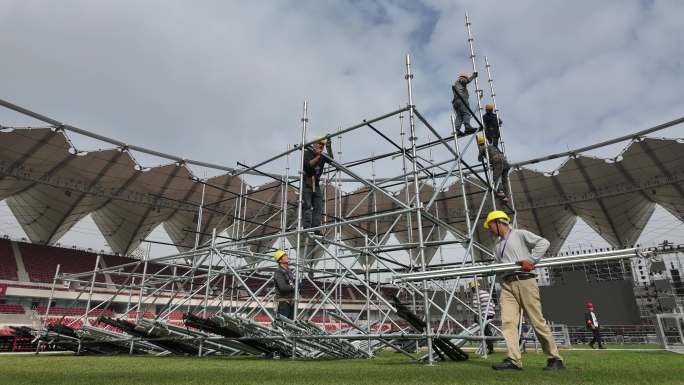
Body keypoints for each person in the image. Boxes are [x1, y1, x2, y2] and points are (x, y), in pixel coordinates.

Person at [484, 210, 565, 371]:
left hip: (525, 280)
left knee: (537, 321)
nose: (490, 228)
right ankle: (514, 360)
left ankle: (554, 358)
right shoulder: (498, 245)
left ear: (500, 222)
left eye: (491, 225)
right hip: (507, 284)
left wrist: (531, 260)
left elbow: (544, 243)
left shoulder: (520, 234)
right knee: (507, 322)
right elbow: (500, 264)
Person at [302, 135, 334, 233]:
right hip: (307, 182)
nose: (321, 146)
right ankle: (307, 228)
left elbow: (331, 159)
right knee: (307, 205)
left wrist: (329, 147)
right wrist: (318, 156)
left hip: (316, 183)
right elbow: (308, 165)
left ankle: (315, 227)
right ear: (314, 144)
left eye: (323, 145)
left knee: (318, 206)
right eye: (320, 144)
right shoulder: (308, 152)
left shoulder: (322, 156)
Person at [477, 135, 510, 203]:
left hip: (497, 161)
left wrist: (482, 154)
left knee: (496, 178)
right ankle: (506, 197)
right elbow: (501, 153)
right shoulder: (492, 146)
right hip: (505, 162)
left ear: (479, 143)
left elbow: (479, 159)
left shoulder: (482, 147)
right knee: (505, 181)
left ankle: (500, 191)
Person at [469, 280, 496, 354]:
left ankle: (490, 348)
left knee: (485, 331)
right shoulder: (485, 292)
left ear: (473, 288)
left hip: (485, 313)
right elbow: (493, 304)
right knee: (486, 329)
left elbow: (475, 307)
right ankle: (490, 346)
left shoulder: (476, 294)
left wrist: (475, 318)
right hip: (491, 313)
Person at [451, 71, 478, 136]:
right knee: (466, 113)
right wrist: (473, 76)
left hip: (456, 102)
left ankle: (456, 130)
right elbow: (466, 81)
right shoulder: (461, 80)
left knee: (459, 116)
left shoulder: (456, 84)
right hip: (461, 100)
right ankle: (467, 128)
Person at [273, 250, 295, 319]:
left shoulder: (289, 271)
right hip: (283, 303)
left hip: (291, 302)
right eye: (284, 256)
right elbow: (283, 287)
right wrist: (294, 287)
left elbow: (291, 284)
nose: (287, 257)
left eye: (286, 255)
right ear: (280, 260)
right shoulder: (278, 272)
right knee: (284, 324)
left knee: (291, 324)